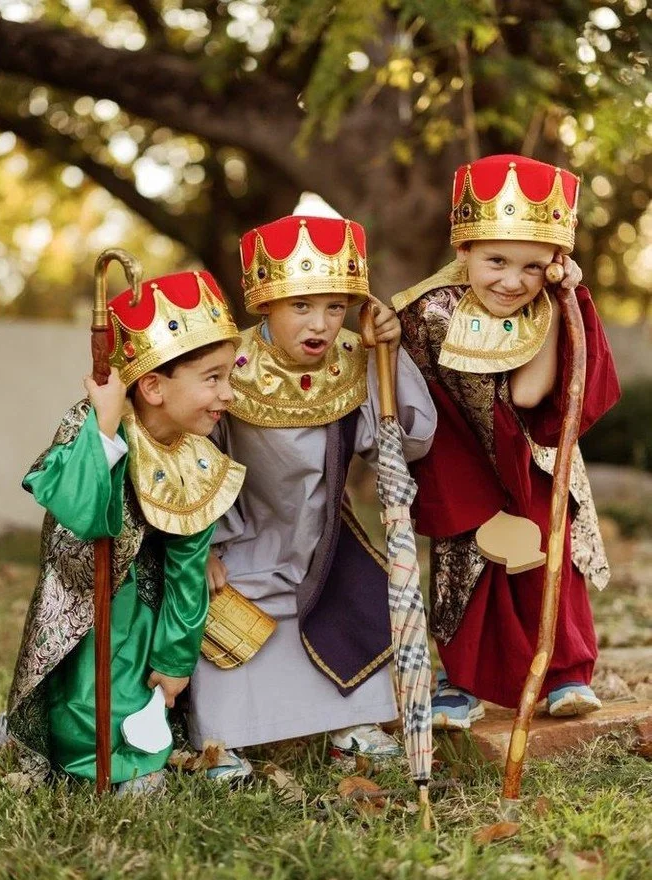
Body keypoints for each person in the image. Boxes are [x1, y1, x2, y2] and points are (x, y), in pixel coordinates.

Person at [0, 271, 245, 794]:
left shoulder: (200, 457)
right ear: (152, 385)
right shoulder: (91, 424)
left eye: (230, 375)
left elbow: (187, 566)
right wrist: (105, 430)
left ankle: (120, 757)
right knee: (85, 693)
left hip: (145, 602)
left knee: (136, 689)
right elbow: (80, 512)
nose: (228, 393)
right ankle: (61, 754)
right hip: (85, 595)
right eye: (213, 378)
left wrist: (175, 658)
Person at [187, 215, 437, 779]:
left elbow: (406, 442)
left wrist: (388, 360)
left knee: (351, 598)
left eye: (333, 306)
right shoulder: (231, 366)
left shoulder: (356, 356)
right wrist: (200, 546)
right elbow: (195, 457)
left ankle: (350, 723)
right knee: (227, 620)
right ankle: (222, 739)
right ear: (265, 305)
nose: (320, 323)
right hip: (242, 533)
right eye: (301, 306)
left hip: (323, 534)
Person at [393, 155, 621, 728]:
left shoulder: (548, 302)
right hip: (460, 461)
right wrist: (473, 498)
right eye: (496, 260)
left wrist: (558, 305)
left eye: (532, 267)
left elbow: (529, 399)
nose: (511, 281)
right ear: (463, 249)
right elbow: (427, 411)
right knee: (467, 564)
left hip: (535, 458)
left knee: (550, 559)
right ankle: (464, 681)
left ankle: (565, 673)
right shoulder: (426, 312)